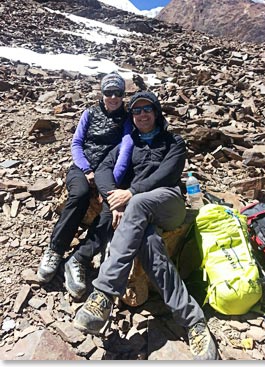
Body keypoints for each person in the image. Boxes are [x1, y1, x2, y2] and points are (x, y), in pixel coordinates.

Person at [73, 91, 218, 360]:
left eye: (147, 109)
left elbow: (169, 173)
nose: (141, 115)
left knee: (138, 203)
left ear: (156, 112)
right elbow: (104, 169)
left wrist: (131, 193)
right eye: (136, 111)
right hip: (141, 213)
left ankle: (103, 293)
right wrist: (112, 199)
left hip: (169, 203)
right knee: (149, 241)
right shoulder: (130, 144)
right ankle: (194, 321)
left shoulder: (173, 141)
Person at [37, 71, 133, 299]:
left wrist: (111, 184)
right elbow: (77, 143)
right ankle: (55, 249)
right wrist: (87, 170)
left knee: (110, 209)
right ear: (102, 93)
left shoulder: (128, 119)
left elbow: (125, 151)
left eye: (117, 92)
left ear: (123, 94)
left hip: (108, 172)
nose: (113, 97)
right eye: (108, 92)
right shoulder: (89, 113)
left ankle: (79, 257)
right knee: (79, 194)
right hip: (82, 167)